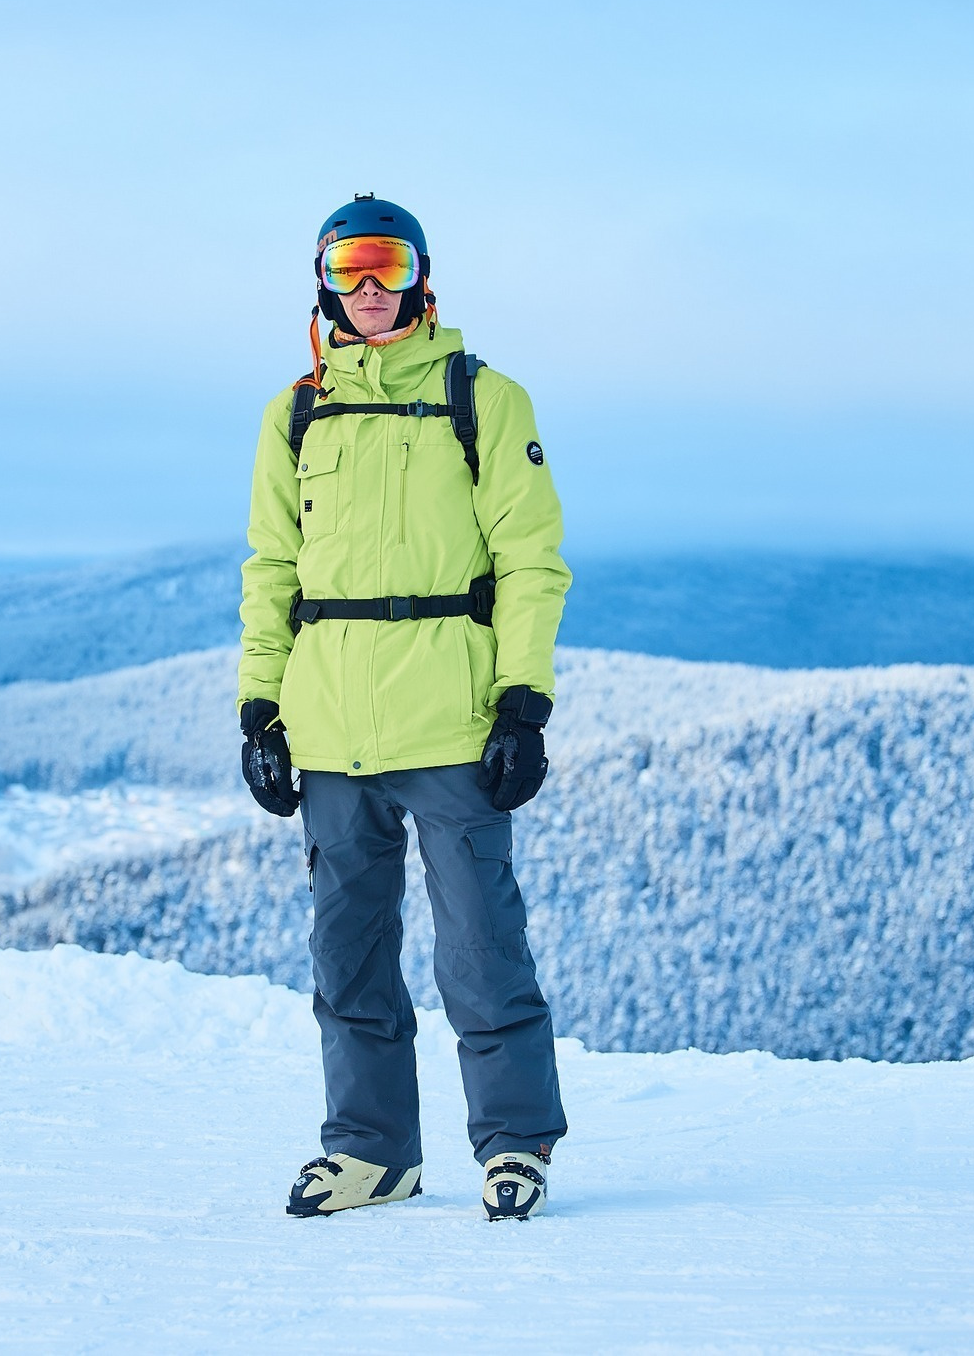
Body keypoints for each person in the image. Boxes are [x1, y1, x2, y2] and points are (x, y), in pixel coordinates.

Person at [237, 195, 571, 1221]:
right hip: (330, 726)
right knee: (345, 955)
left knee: (478, 946)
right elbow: (272, 567)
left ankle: (513, 1145)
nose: (369, 288)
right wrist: (260, 708)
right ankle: (372, 1152)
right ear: (323, 282)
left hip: (449, 722)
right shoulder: (294, 413)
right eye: (349, 268)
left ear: (422, 276)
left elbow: (528, 558)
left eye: (386, 264)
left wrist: (522, 702)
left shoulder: (483, 399)